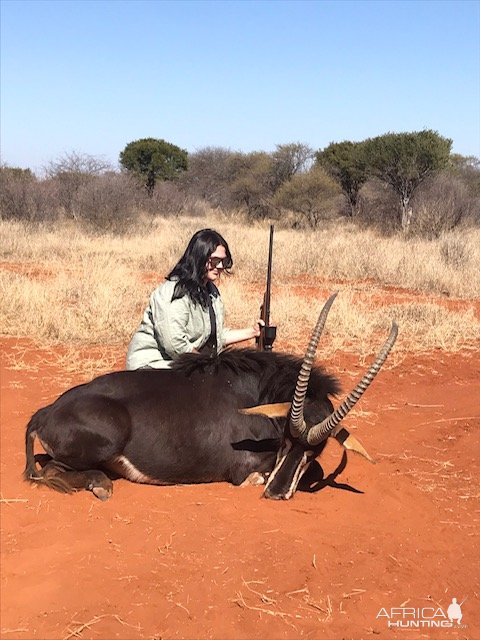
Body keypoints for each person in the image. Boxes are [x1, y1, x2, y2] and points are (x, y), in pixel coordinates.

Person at [126, 228, 263, 370]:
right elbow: (174, 344)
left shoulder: (211, 291)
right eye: (215, 260)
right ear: (200, 257)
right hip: (154, 365)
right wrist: (208, 366)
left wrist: (252, 332)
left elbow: (215, 337)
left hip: (184, 365)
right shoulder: (173, 291)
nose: (221, 266)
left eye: (224, 261)